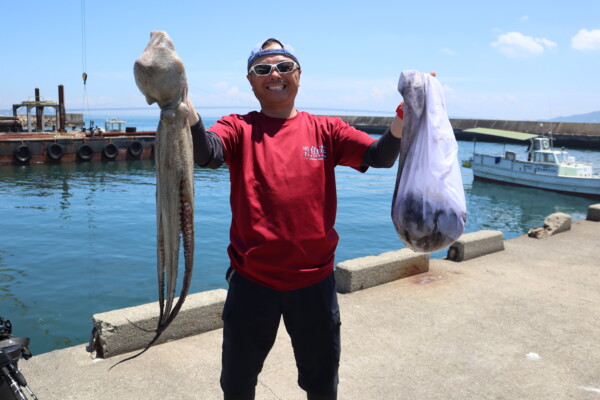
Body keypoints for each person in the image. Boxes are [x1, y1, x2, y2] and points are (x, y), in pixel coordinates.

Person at [187, 38, 405, 400]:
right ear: (251, 80)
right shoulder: (238, 127)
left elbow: (379, 156)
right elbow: (206, 153)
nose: (275, 74)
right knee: (237, 384)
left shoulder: (327, 129)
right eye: (263, 69)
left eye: (284, 66)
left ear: (299, 75)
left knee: (321, 383)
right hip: (252, 282)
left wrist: (403, 119)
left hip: (314, 283)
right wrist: (183, 105)